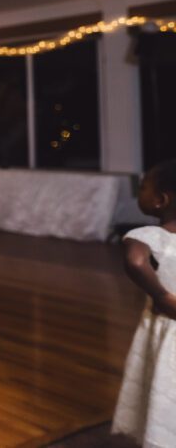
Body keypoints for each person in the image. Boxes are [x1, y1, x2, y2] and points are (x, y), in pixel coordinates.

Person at [113, 159, 176, 446]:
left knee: (167, 388)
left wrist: (162, 296)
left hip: (168, 328)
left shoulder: (152, 236)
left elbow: (135, 261)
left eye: (142, 188)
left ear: (160, 200)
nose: (139, 192)